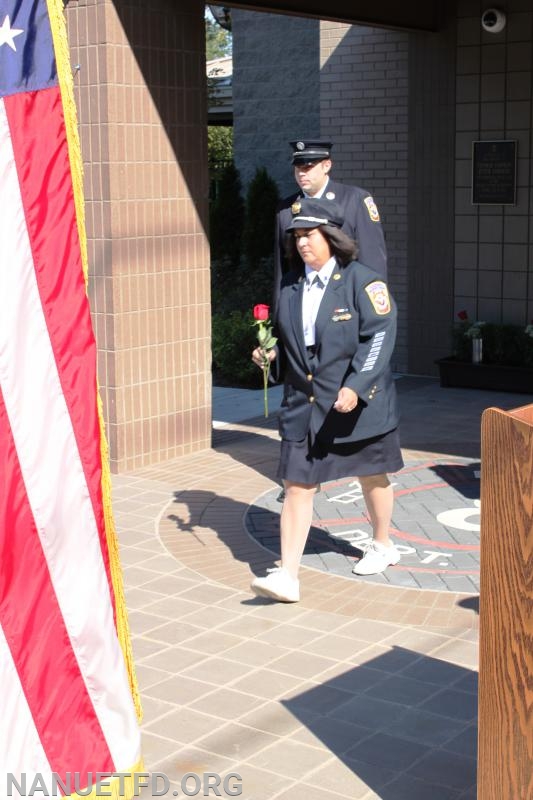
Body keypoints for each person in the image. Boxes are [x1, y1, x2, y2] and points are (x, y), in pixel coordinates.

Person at [251, 197, 403, 603]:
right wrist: (273, 356)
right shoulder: (290, 287)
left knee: (372, 475)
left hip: (357, 402)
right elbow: (295, 346)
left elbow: (380, 337)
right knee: (298, 485)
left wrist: (355, 385)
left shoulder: (363, 281)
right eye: (297, 236)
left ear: (332, 238)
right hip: (306, 406)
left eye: (310, 235)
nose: (302, 243)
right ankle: (288, 575)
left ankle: (383, 543)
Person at [274, 139, 388, 298]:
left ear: (326, 166)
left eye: (308, 167)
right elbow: (283, 269)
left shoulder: (354, 200)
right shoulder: (286, 209)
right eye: (298, 168)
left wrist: (371, 310)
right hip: (301, 302)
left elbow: (372, 259)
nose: (301, 173)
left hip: (345, 300)